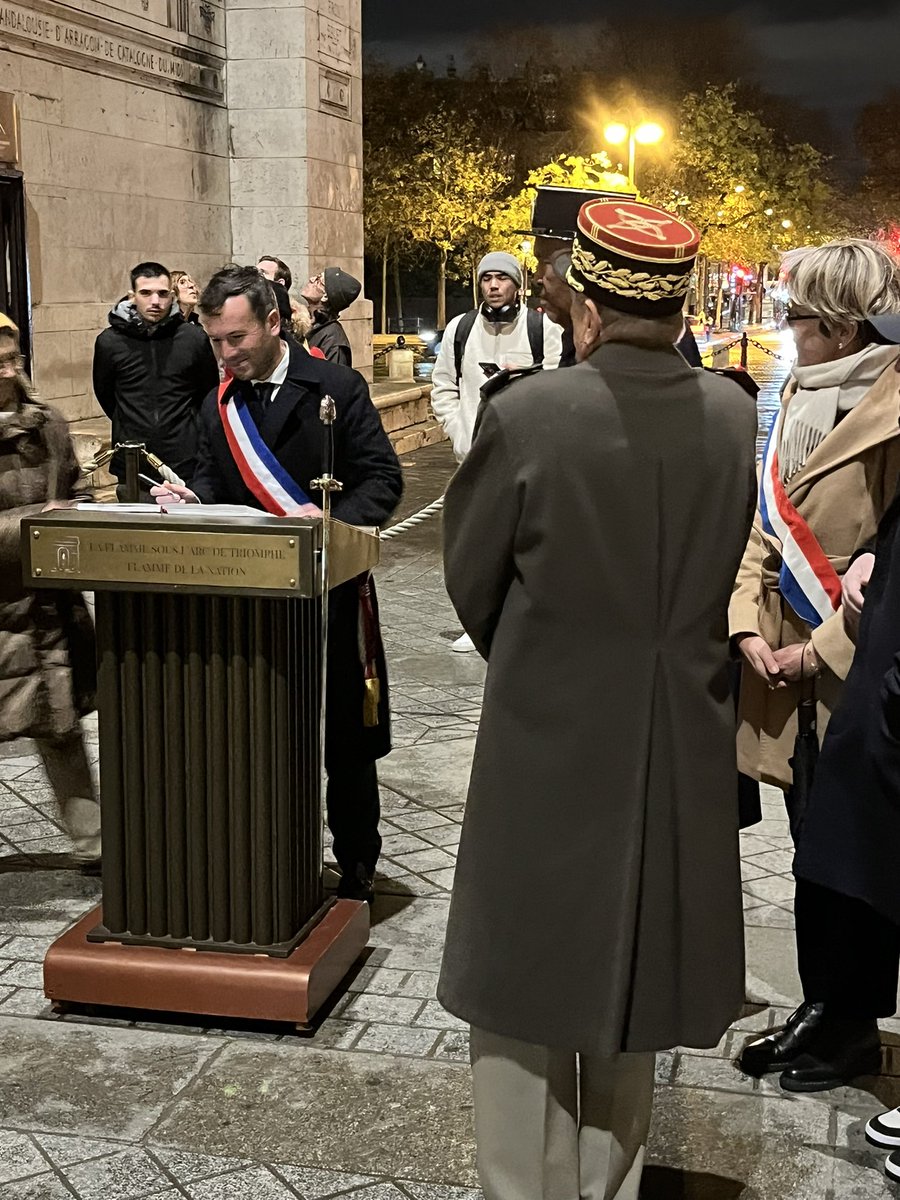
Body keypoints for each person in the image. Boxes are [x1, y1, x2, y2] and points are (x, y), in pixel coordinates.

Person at [437, 198, 758, 1200]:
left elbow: (471, 578)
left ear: (582, 302)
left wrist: (544, 661)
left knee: (525, 985)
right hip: (678, 736)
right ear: (682, 301)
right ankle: (609, 1185)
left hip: (548, 734)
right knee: (634, 979)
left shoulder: (528, 414)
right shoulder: (735, 413)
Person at [150, 267, 403, 902]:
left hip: (330, 591)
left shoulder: (336, 385)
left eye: (235, 339)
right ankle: (265, 862)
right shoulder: (217, 404)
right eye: (214, 341)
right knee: (258, 733)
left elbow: (382, 479)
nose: (225, 354)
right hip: (253, 600)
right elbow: (215, 481)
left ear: (272, 323)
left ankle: (356, 864)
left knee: (344, 740)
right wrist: (188, 496)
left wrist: (336, 522)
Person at [733, 241, 900, 1083]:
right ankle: (822, 1004)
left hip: (850, 670)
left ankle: (852, 1020)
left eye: (795, 315)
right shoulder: (795, 390)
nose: (785, 327)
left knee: (853, 857)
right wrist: (743, 626)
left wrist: (818, 651)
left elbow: (891, 556)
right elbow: (763, 525)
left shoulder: (894, 405)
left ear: (838, 324)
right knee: (809, 847)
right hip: (779, 657)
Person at [0, 313, 100, 867]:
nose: (5, 359)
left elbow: (77, 492)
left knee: (59, 727)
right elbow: (52, 511)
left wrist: (81, 516)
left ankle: (94, 844)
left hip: (47, 607)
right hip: (2, 608)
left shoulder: (48, 423)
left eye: (9, 346)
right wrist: (44, 519)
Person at [431, 251, 564, 652]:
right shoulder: (461, 329)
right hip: (474, 458)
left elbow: (556, 391)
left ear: (517, 284)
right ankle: (478, 623)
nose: (493, 285)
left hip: (530, 458)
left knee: (527, 542)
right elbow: (443, 387)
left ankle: (525, 619)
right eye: (486, 278)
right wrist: (459, 433)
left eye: (501, 278)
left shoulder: (543, 330)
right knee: (478, 543)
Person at [92, 262, 219, 490]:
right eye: (146, 293)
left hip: (186, 459)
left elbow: (207, 391)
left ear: (171, 296)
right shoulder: (109, 342)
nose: (155, 301)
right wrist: (130, 423)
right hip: (134, 460)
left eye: (162, 294)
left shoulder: (193, 338)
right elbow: (106, 394)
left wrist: (192, 431)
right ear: (132, 296)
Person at [300, 267, 362, 367]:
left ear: (325, 296)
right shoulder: (303, 321)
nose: (311, 279)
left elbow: (333, 380)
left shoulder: (333, 341)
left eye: (318, 280)